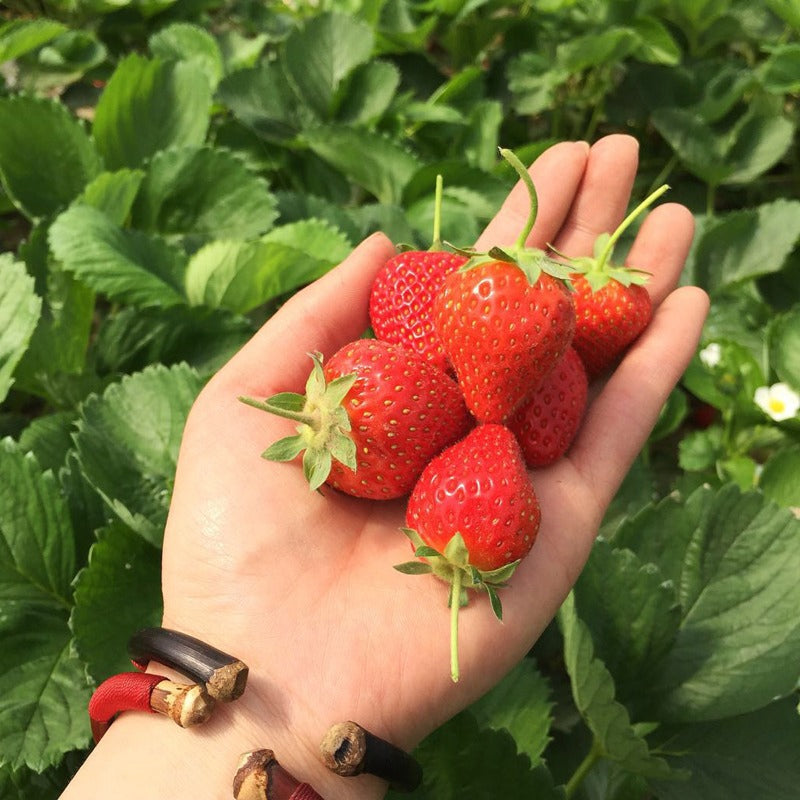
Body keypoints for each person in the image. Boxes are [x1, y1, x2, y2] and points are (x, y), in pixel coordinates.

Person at [60, 134, 708, 799]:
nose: (485, 412)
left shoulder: (459, 345)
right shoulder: (452, 373)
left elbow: (485, 393)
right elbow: (484, 398)